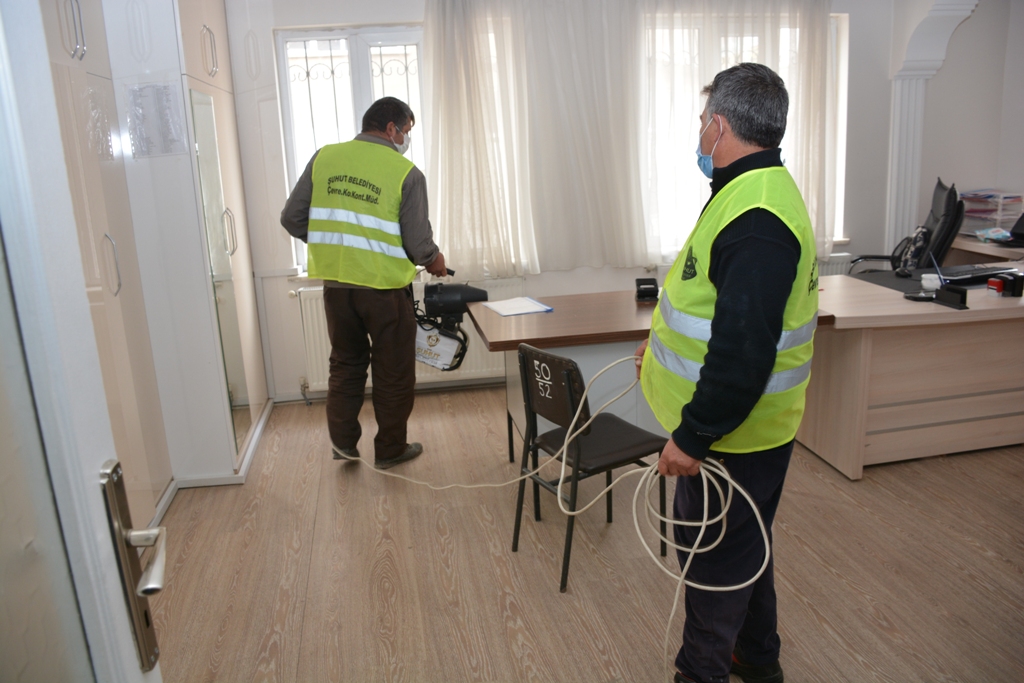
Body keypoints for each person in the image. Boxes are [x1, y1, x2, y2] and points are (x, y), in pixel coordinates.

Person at [635, 63, 818, 683]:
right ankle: (757, 658)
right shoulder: (750, 192)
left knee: (713, 563)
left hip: (731, 437)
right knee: (745, 545)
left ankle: (702, 671)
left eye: (701, 122)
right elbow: (711, 305)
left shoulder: (757, 218)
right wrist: (657, 347)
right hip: (745, 431)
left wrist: (693, 437)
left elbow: (743, 353)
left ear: (719, 126)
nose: (699, 135)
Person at [281, 96, 448, 469]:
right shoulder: (406, 173)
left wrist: (331, 241)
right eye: (406, 130)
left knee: (346, 364)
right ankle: (390, 450)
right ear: (390, 128)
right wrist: (434, 260)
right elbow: (418, 244)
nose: (405, 138)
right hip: (384, 290)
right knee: (393, 371)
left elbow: (292, 218)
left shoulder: (324, 158)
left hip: (338, 287)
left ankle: (344, 446)